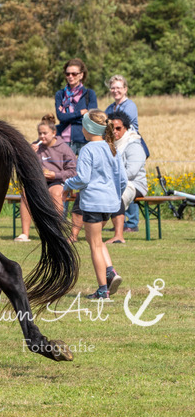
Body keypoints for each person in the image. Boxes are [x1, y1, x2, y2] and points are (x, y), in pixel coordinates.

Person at [62, 111, 127, 300]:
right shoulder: (112, 148)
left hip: (92, 203)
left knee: (95, 246)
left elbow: (82, 179)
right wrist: (113, 196)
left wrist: (67, 185)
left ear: (88, 129)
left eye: (83, 125)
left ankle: (102, 291)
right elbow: (123, 180)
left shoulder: (88, 149)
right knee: (95, 241)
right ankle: (110, 272)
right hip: (110, 205)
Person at [15, 115, 76, 241]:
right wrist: (28, 154)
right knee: (26, 194)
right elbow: (23, 168)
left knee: (55, 193)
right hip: (39, 182)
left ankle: (56, 232)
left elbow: (73, 171)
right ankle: (24, 234)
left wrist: (55, 175)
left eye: (45, 133)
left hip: (58, 181)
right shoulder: (35, 147)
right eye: (39, 133)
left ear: (54, 133)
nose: (42, 136)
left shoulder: (64, 148)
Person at [107, 113, 147, 241]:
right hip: (113, 182)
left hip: (135, 184)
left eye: (118, 128)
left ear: (125, 128)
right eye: (111, 128)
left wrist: (110, 179)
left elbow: (132, 172)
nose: (114, 131)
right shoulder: (107, 145)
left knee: (118, 195)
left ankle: (119, 236)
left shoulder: (133, 145)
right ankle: (83, 233)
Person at [55, 59, 98, 156]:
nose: (70, 76)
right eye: (68, 74)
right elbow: (60, 117)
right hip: (64, 140)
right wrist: (79, 113)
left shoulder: (89, 94)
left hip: (84, 139)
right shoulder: (60, 95)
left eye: (74, 74)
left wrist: (68, 117)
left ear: (81, 75)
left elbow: (91, 118)